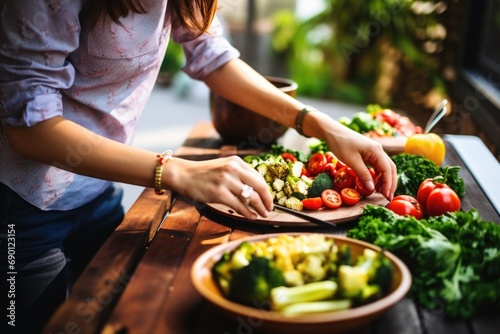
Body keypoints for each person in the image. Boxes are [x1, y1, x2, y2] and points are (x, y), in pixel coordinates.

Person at [0, 0, 397, 332]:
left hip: (101, 185)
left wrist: (319, 124)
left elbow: (211, 55)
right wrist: (178, 171)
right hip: (22, 205)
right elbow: (30, 127)